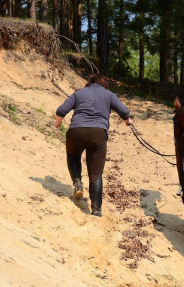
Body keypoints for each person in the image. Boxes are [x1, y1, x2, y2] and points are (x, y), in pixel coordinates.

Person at [53, 73, 132, 217]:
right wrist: (127, 121)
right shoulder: (109, 95)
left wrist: (57, 124)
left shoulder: (79, 93)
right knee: (96, 173)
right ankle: (96, 211)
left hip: (75, 131)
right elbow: (124, 111)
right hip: (98, 134)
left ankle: (77, 182)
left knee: (73, 155)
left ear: (89, 82)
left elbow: (61, 110)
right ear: (104, 83)